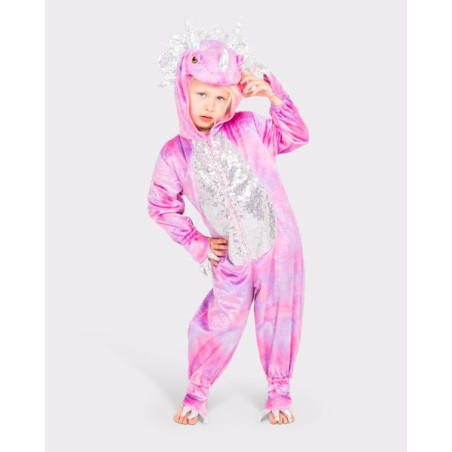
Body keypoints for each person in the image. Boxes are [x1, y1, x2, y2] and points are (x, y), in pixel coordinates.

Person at [147, 34, 309, 425]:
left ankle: (279, 391)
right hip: (230, 255)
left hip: (279, 246)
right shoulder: (174, 154)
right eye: (202, 94)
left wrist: (274, 96)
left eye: (221, 97)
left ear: (233, 99)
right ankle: (197, 391)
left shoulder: (250, 127)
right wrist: (198, 243)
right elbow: (160, 205)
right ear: (184, 91)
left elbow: (296, 136)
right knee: (221, 320)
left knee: (280, 315)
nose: (210, 106)